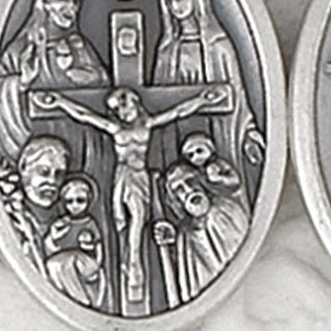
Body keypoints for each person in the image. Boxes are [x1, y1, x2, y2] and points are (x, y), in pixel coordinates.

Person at [32, 85, 228, 303]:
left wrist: (203, 100)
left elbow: (178, 112)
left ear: (135, 101)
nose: (122, 113)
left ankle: (134, 263)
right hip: (121, 176)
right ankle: (126, 262)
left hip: (138, 177)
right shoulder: (116, 129)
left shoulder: (147, 124)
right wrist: (60, 102)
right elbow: (84, 115)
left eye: (123, 106)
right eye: (117, 110)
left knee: (138, 218)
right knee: (120, 222)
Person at [151, 0, 264, 206]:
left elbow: (237, 96)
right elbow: (156, 101)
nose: (174, 6)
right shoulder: (167, 52)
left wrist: (249, 133)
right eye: (168, 1)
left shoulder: (219, 46)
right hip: (180, 133)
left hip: (216, 132)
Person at [0, 0, 110, 166]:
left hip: (83, 141)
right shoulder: (20, 50)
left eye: (75, 0)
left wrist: (83, 76)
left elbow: (106, 90)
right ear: (45, 3)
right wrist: (22, 82)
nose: (71, 6)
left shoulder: (80, 47)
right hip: (43, 141)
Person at [153, 161, 248, 303]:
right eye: (179, 189)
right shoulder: (184, 235)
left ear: (202, 182)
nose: (189, 190)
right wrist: (172, 243)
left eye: (191, 181)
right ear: (176, 201)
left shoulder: (227, 210)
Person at [0, 135, 70, 274]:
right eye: (44, 172)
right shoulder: (13, 214)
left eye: (59, 174)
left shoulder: (66, 218)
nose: (52, 181)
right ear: (23, 167)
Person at [44, 175, 106, 309]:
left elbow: (99, 247)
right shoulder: (61, 224)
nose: (75, 205)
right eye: (69, 201)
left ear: (89, 200)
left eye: (80, 200)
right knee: (53, 264)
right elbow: (51, 249)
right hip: (64, 262)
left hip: (85, 263)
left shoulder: (89, 223)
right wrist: (53, 238)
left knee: (68, 261)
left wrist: (95, 259)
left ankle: (80, 299)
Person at [181, 132, 241, 197]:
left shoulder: (219, 163)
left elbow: (235, 180)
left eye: (199, 151)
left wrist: (220, 178)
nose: (196, 157)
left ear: (210, 148)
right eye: (191, 155)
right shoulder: (199, 171)